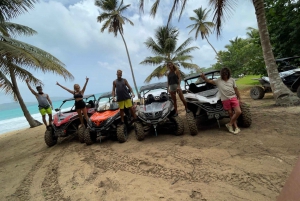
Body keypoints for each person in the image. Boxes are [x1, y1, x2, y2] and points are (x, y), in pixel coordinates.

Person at [200, 67, 242, 134]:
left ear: (228, 73)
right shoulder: (218, 80)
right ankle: (236, 127)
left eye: (226, 73)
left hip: (233, 97)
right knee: (230, 113)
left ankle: (229, 124)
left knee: (238, 111)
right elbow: (209, 81)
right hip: (225, 99)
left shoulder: (232, 80)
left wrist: (239, 97)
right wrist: (204, 78)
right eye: (223, 74)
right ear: (221, 74)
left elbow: (236, 89)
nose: (225, 75)